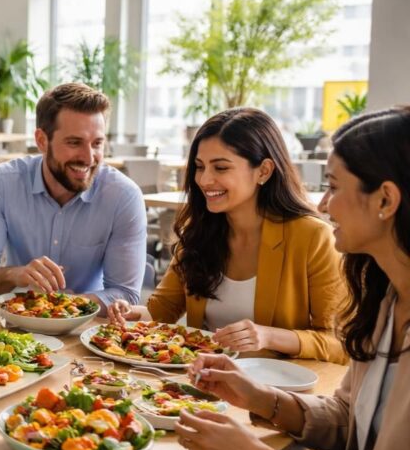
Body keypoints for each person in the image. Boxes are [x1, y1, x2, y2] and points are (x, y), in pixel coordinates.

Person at [133, 106, 410, 450]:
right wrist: (260, 399)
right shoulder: (387, 301)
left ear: (386, 200)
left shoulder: (318, 245)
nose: (323, 202)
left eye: (333, 187)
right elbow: (346, 417)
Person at [108, 108, 346, 365]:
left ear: (264, 171)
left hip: (275, 390)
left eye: (221, 167)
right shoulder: (199, 231)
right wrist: (131, 313)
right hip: (201, 385)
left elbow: (340, 344)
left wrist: (270, 337)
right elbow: (161, 311)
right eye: (199, 167)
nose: (204, 180)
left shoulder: (312, 237)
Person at [0, 82, 147, 311]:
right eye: (74, 142)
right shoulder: (2, 183)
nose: (89, 158)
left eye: (97, 143)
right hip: (17, 328)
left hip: (89, 331)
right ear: (41, 141)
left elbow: (125, 293)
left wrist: (59, 308)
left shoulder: (123, 196)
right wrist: (15, 275)